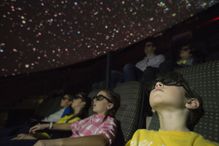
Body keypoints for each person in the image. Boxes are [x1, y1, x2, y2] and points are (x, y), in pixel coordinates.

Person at [126, 72, 219, 146]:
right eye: (155, 86)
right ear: (153, 109)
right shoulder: (139, 136)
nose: (158, 84)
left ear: (191, 103)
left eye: (170, 83)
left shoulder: (199, 143)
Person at [1, 89, 122, 146]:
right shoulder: (90, 119)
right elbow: (72, 126)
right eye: (95, 97)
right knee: (15, 139)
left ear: (110, 105)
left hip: (59, 143)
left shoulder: (110, 121)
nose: (95, 99)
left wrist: (53, 143)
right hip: (56, 142)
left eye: (99, 98)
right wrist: (48, 125)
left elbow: (102, 140)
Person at [12, 92, 90, 140]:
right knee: (17, 136)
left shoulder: (78, 120)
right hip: (43, 135)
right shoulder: (68, 116)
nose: (73, 99)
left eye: (76, 97)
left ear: (83, 103)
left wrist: (36, 137)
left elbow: (60, 134)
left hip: (46, 139)